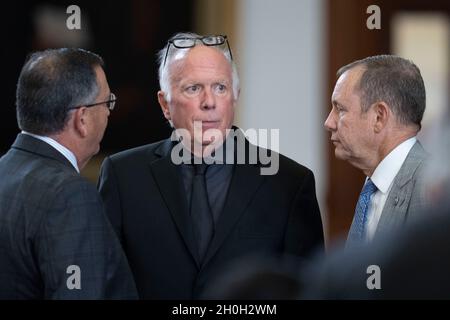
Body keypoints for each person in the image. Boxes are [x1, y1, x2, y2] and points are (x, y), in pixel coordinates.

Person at [98, 32, 324, 299]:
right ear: (164, 104)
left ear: (235, 96)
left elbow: (308, 290)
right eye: (193, 88)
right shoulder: (124, 176)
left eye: (220, 87)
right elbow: (105, 283)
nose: (209, 102)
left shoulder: (289, 183)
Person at [0, 48, 137, 299]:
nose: (108, 112)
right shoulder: (69, 194)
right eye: (107, 102)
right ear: (82, 118)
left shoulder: (4, 172)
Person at [324, 55, 429, 246]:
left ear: (379, 117)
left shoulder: (432, 188)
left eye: (340, 109)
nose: (329, 122)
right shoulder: (373, 185)